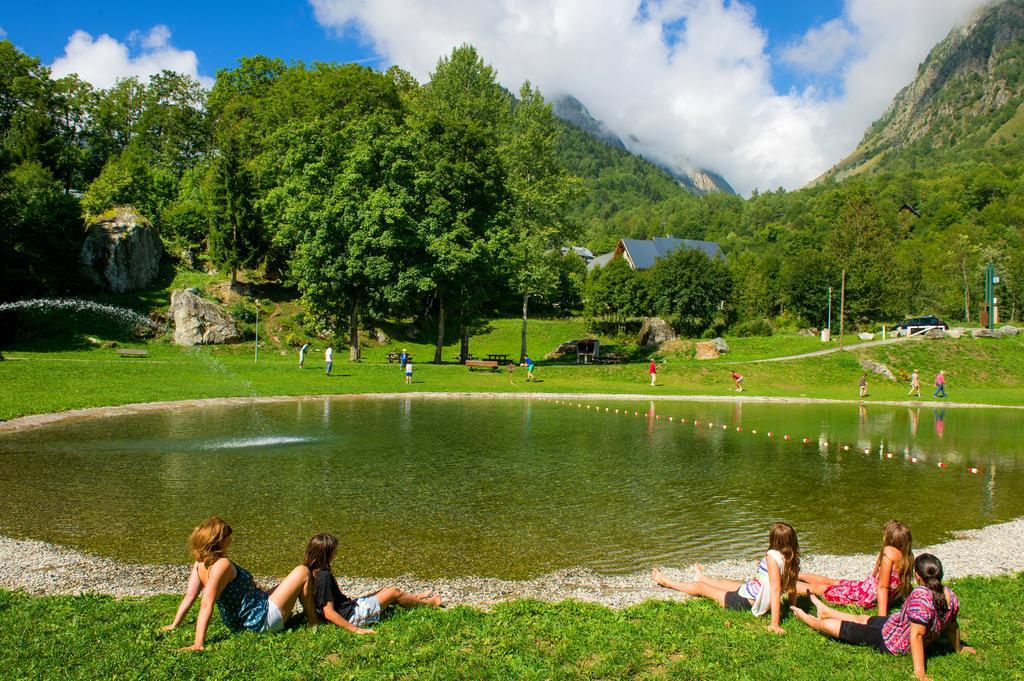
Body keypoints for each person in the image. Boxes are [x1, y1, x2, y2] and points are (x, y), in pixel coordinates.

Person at [791, 554, 974, 681]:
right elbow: (952, 626)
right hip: (894, 625)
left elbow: (916, 636)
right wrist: (958, 648)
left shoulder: (921, 596)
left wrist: (920, 674)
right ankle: (825, 611)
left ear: (917, 575)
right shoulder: (950, 594)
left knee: (844, 628)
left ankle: (807, 618)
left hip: (891, 642)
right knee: (863, 618)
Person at [163, 517, 319, 650]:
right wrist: (198, 643)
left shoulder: (200, 564)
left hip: (244, 618)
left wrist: (174, 624)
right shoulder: (222, 565)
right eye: (228, 533)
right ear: (220, 541)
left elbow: (190, 596)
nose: (231, 536)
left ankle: (307, 616)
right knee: (302, 571)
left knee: (286, 582)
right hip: (260, 621)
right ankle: (313, 622)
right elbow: (206, 603)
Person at [652, 522, 800, 635]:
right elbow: (792, 587)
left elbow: (775, 589)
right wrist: (793, 607)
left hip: (745, 602)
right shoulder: (793, 558)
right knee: (724, 583)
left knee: (700, 589)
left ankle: (667, 582)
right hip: (751, 592)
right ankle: (701, 577)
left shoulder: (772, 557)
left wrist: (775, 624)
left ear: (774, 540)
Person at [303, 533, 441, 634]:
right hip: (352, 616)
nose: (336, 553)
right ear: (326, 554)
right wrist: (356, 630)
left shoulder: (312, 572)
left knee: (385, 590)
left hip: (350, 607)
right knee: (394, 592)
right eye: (334, 551)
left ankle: (415, 597)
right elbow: (329, 613)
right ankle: (429, 605)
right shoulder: (324, 577)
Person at [798, 520, 914, 616]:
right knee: (834, 582)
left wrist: (881, 616)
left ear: (889, 539)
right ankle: (795, 575)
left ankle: (790, 580)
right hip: (867, 587)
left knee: (823, 588)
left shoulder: (888, 554)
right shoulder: (908, 556)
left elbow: (882, 587)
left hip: (867, 594)